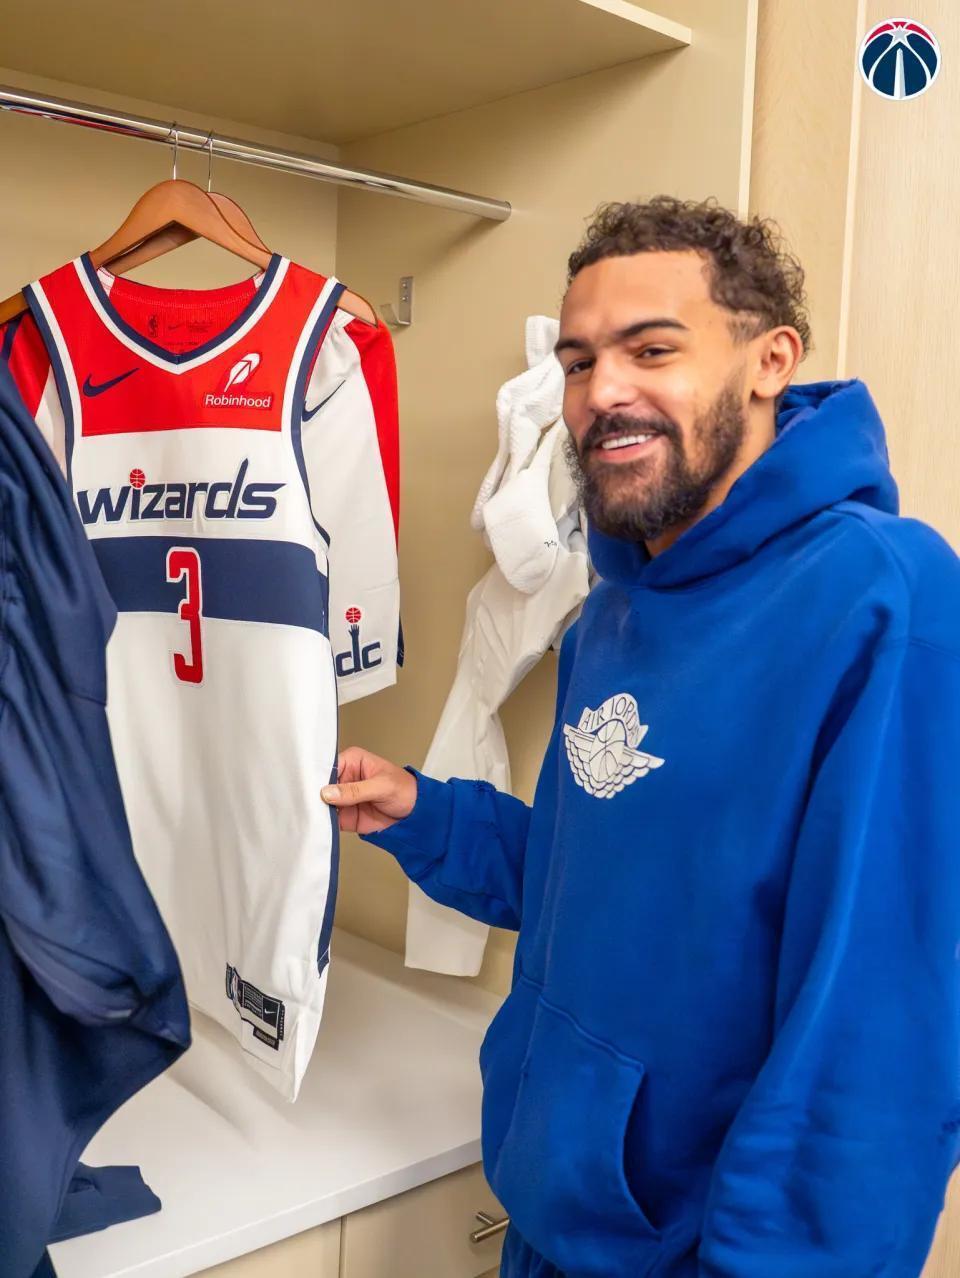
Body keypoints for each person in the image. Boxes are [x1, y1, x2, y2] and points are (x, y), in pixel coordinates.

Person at [321, 195, 960, 1278]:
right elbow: (593, 877)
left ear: (769, 361)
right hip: (555, 1218)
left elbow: (873, 1049)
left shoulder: (884, 602)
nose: (602, 391)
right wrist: (428, 815)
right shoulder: (613, 609)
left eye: (651, 349)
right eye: (578, 363)